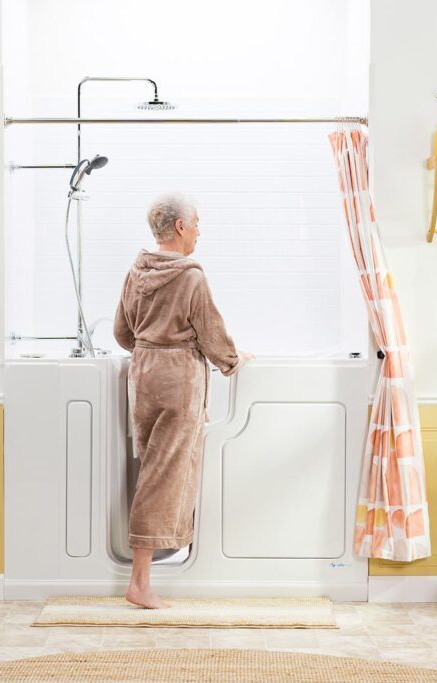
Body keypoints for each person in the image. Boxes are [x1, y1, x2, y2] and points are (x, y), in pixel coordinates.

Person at [113, 194, 252, 609]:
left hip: (144, 377)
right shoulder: (191, 277)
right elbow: (212, 336)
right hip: (178, 382)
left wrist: (151, 346)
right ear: (179, 227)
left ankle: (143, 578)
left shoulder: (135, 272)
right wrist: (234, 359)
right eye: (196, 224)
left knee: (150, 468)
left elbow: (123, 333)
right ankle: (140, 584)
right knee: (165, 477)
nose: (198, 232)